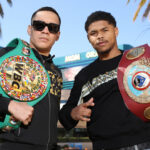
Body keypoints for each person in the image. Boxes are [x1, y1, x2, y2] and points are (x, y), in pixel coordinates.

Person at [59, 11, 150, 150]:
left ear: (116, 31)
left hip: (145, 141)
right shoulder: (84, 75)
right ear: (88, 38)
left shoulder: (138, 61)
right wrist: (74, 113)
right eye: (93, 33)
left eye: (105, 30)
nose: (100, 36)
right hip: (104, 145)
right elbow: (65, 116)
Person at [0, 6, 62, 150]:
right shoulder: (7, 54)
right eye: (39, 25)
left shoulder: (57, 72)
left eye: (52, 28)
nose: (45, 31)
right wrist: (9, 105)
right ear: (30, 29)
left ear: (57, 35)